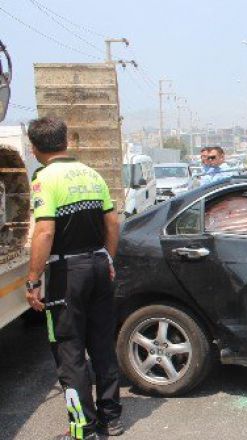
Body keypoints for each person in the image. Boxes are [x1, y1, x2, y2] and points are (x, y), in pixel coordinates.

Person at [24, 117, 123, 440]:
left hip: (67, 273)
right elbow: (112, 223)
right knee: (102, 345)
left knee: (69, 353)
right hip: (98, 265)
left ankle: (83, 428)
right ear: (66, 141)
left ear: (34, 147)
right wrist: (107, 258)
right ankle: (111, 418)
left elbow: (45, 230)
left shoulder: (43, 179)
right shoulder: (91, 174)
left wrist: (33, 278)